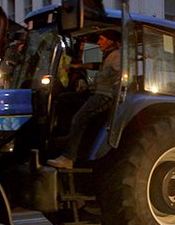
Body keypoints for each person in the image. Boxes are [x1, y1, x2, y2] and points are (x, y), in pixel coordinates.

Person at [47, 30, 122, 169]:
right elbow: (100, 69)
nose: (98, 42)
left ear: (110, 41)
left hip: (105, 96)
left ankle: (68, 158)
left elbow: (117, 75)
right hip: (96, 92)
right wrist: (86, 85)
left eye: (101, 39)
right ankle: (66, 135)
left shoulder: (117, 56)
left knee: (78, 118)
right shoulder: (109, 56)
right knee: (64, 99)